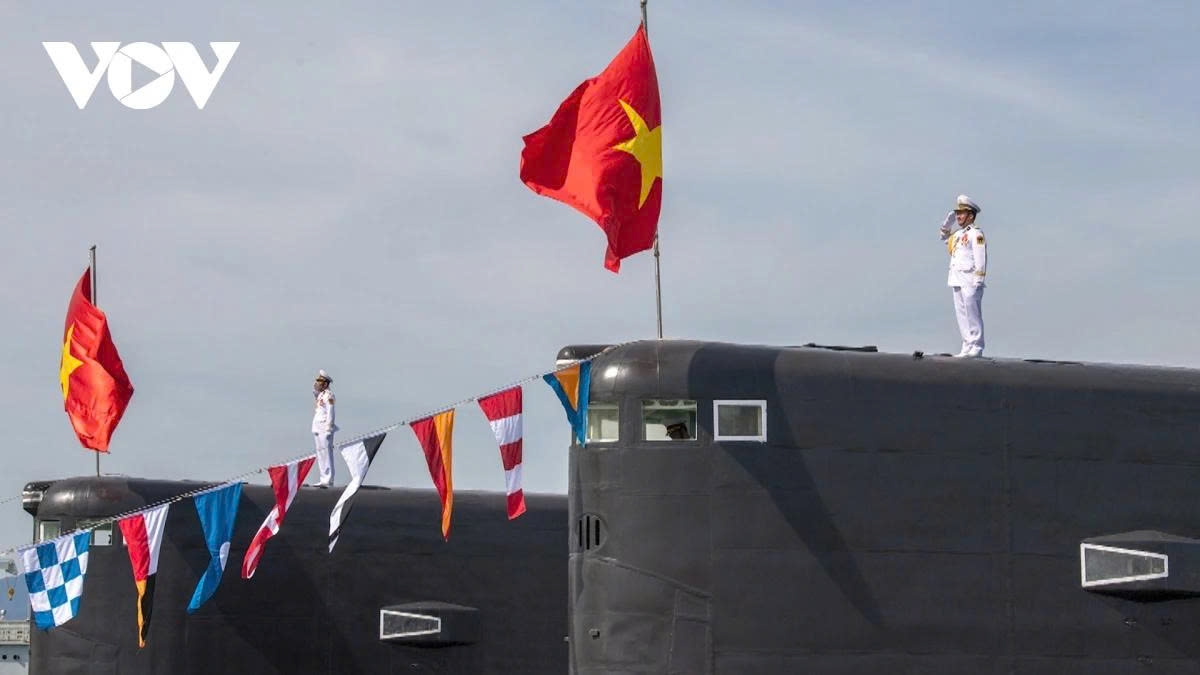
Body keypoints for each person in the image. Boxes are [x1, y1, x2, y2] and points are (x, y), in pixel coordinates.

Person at [938, 195, 987, 358]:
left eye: (961, 213)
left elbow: (980, 257)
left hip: (970, 279)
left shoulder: (976, 234)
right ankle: (967, 344)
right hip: (957, 278)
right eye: (957, 213)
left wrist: (979, 279)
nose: (958, 216)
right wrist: (949, 220)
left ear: (971, 216)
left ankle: (976, 345)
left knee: (972, 313)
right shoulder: (958, 235)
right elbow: (943, 235)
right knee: (961, 314)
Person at [312, 370, 338, 487]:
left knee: (327, 453)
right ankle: (323, 477)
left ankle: (328, 478)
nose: (318, 383)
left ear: (326, 384)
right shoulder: (321, 395)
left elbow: (331, 412)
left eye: (320, 381)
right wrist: (316, 386)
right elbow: (315, 392)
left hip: (324, 428)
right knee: (320, 453)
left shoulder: (329, 395)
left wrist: (329, 428)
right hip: (317, 427)